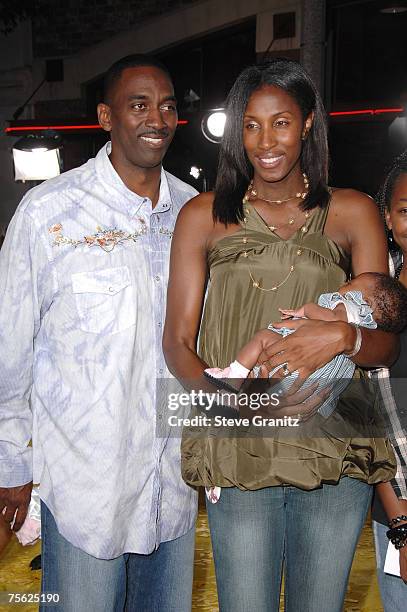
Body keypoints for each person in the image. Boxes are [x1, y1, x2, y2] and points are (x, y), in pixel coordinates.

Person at [163, 59, 397, 612]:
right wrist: (232, 409)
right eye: (251, 125)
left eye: (282, 123)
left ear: (310, 123)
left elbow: (387, 343)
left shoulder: (353, 210)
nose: (265, 141)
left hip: (335, 448)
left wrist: (345, 338)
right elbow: (177, 341)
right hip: (241, 448)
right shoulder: (203, 215)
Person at [0, 54, 198, 611]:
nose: (155, 118)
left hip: (172, 486)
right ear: (106, 116)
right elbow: (9, 350)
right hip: (88, 489)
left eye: (167, 106)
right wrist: (11, 465)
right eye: (138, 105)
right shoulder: (50, 214)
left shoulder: (195, 213)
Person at [204, 272, 407, 418]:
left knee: (263, 338)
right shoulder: (369, 326)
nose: (346, 282)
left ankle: (233, 375)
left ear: (366, 303)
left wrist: (307, 309)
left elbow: (332, 319)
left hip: (297, 366)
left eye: (352, 281)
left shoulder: (352, 306)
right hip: (312, 387)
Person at [371, 150, 407, 606]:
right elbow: (372, 423)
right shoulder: (375, 305)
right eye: (405, 211)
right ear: (386, 216)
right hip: (399, 507)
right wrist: (401, 528)